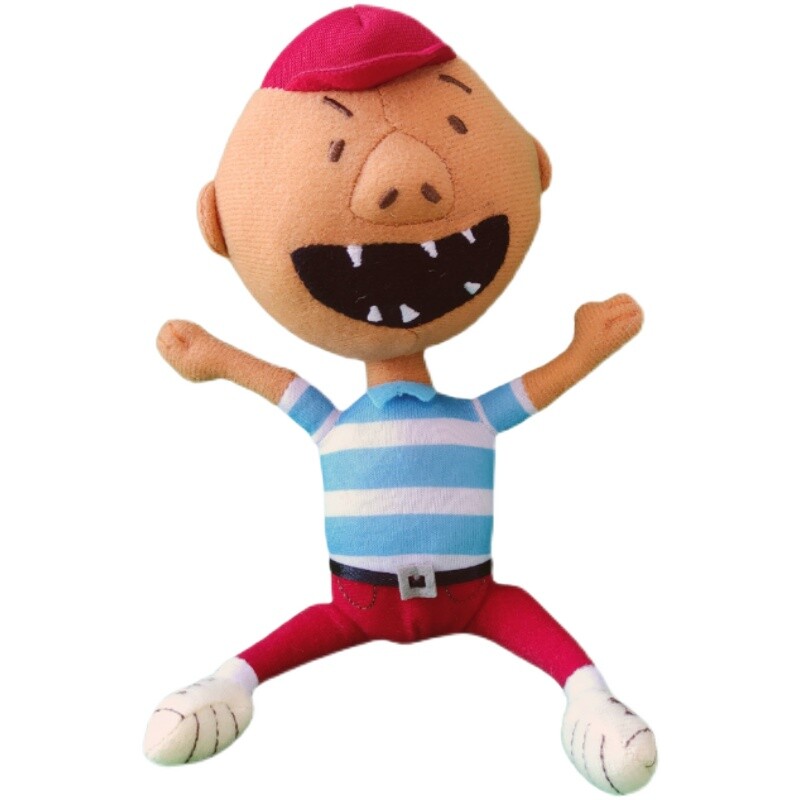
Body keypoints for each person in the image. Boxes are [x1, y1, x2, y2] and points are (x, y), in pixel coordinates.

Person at [144, 6, 656, 794]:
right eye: (335, 151)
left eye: (457, 124)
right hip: (356, 603)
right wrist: (216, 357)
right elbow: (285, 389)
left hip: (475, 597)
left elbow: (529, 394)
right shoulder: (347, 424)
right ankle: (228, 682)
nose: (404, 183)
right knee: (308, 632)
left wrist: (585, 349)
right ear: (219, 221)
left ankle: (589, 698)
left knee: (524, 613)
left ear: (535, 167)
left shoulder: (466, 418)